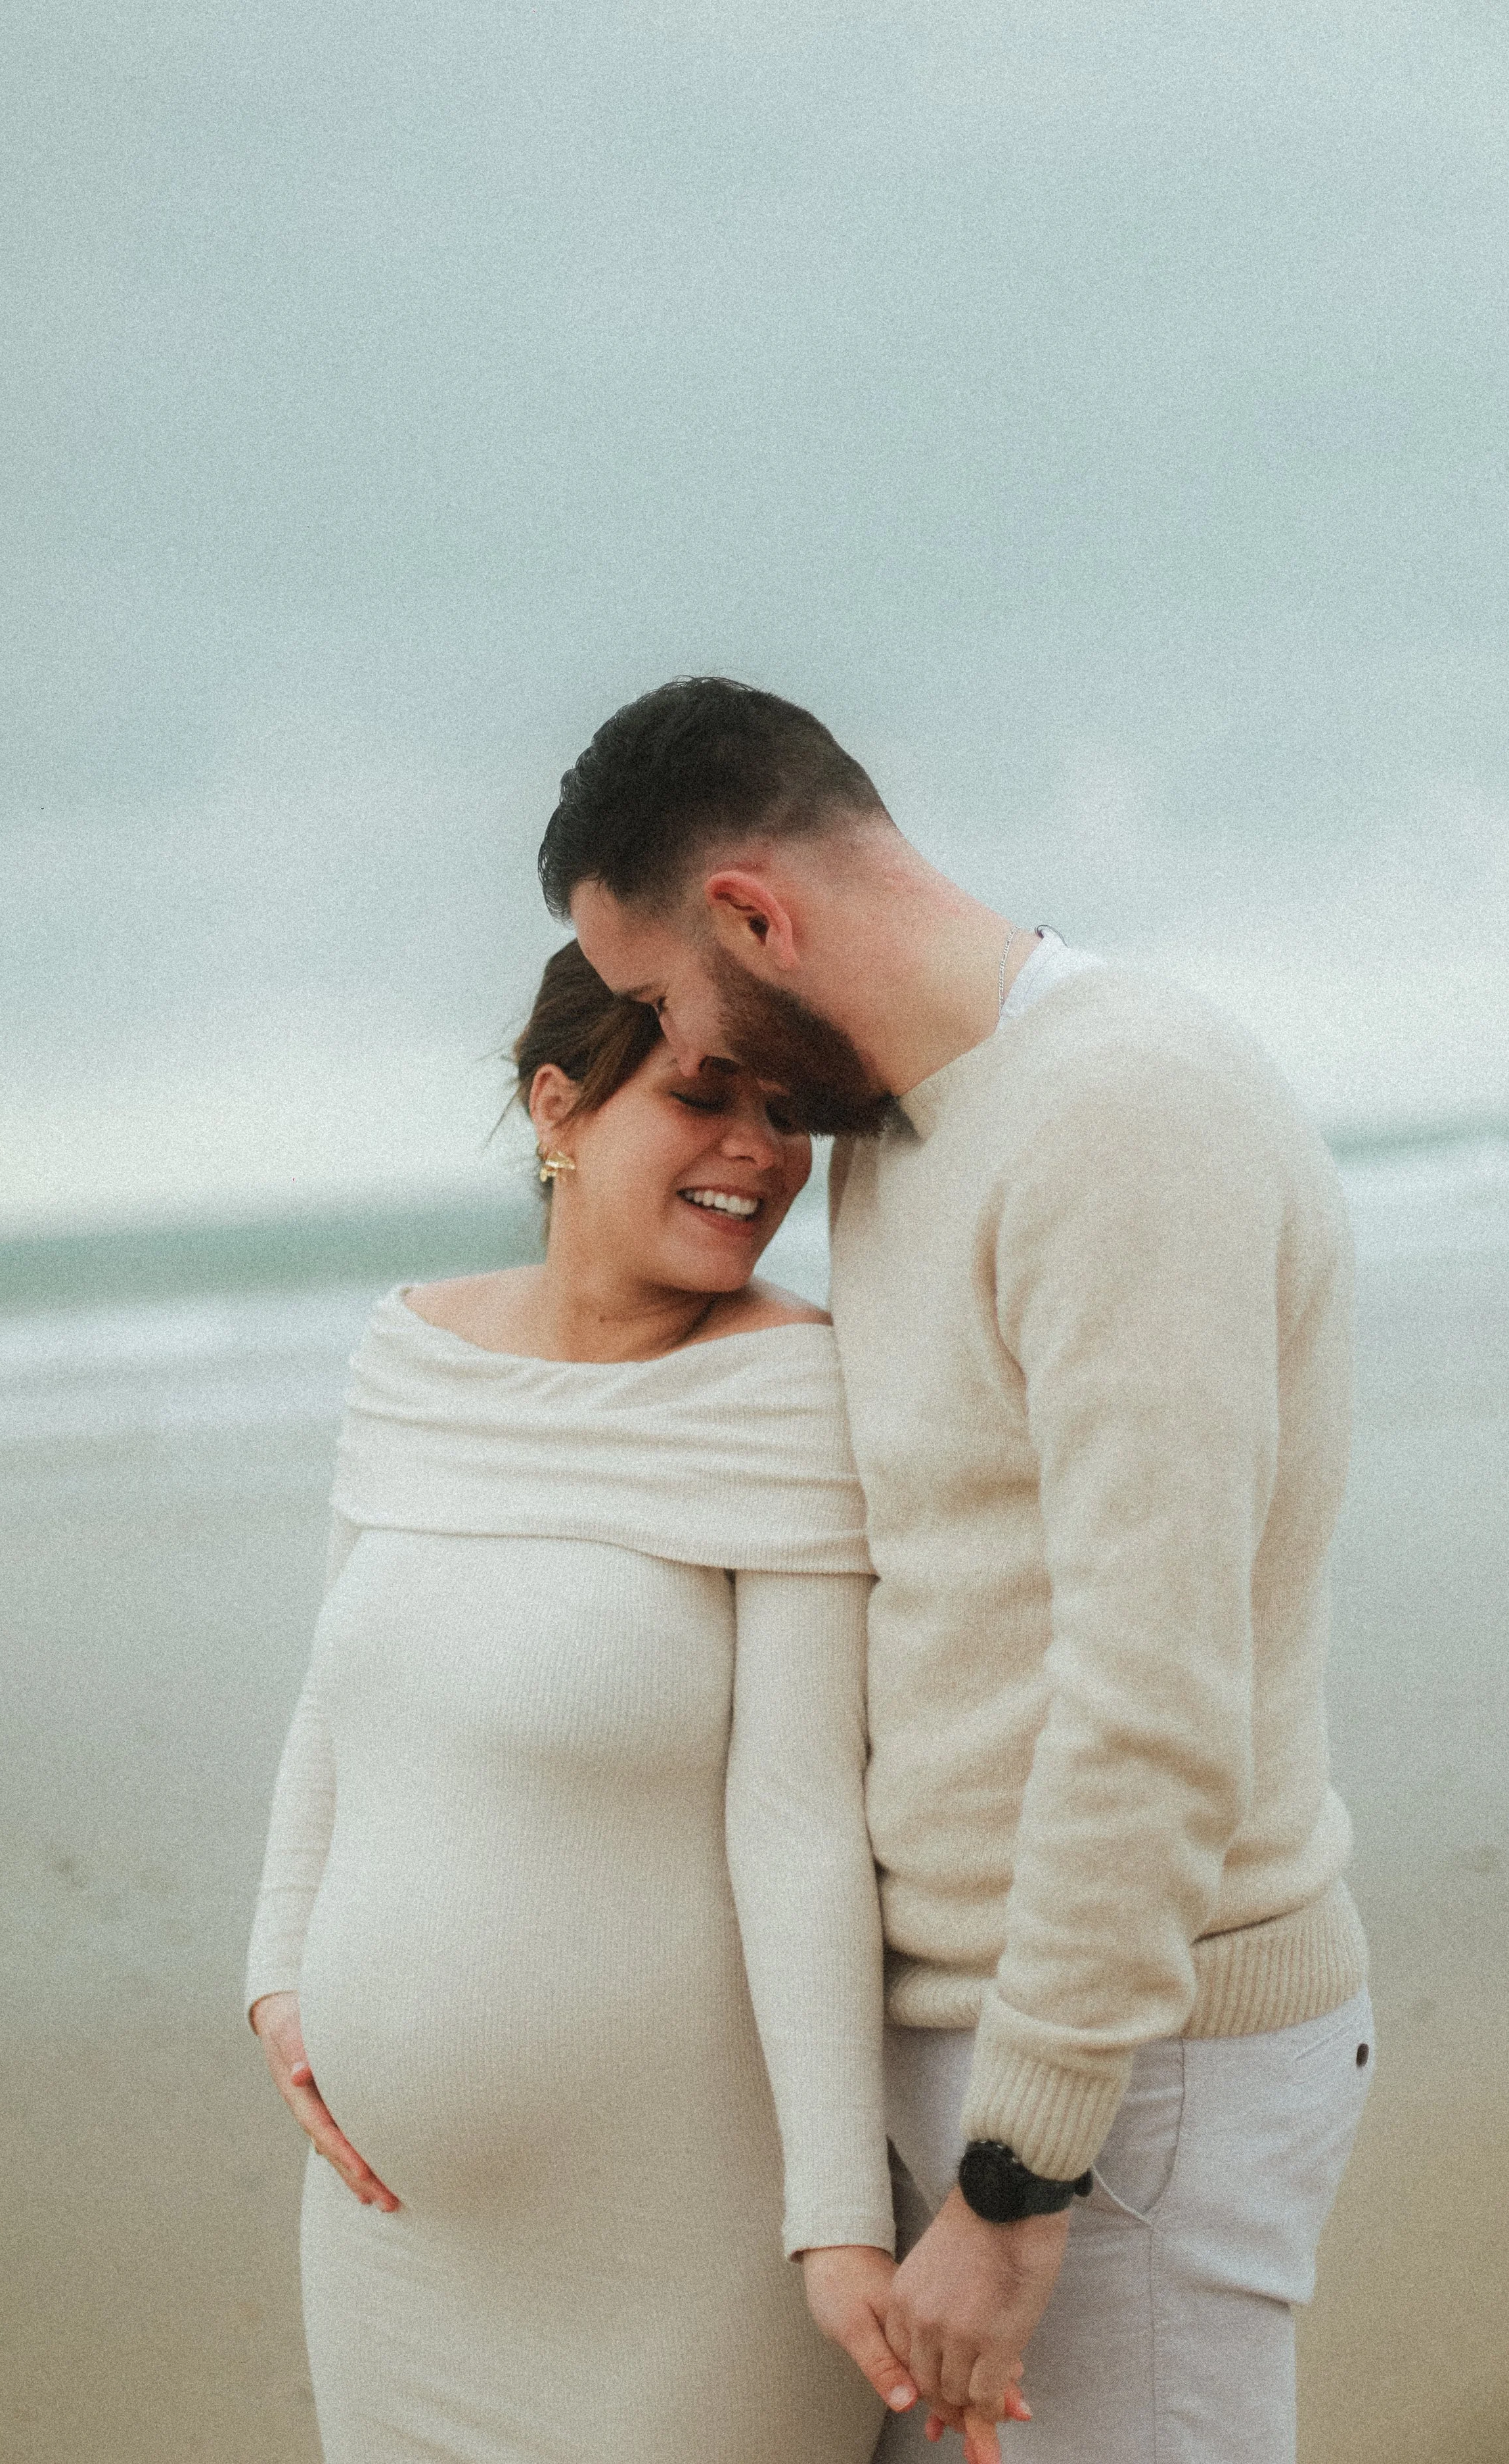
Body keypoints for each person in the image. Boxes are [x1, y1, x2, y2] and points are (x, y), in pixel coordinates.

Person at [550, 677, 1376, 2464]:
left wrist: (1015, 2177)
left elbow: (1150, 1695)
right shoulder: (910, 1129)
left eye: (655, 999)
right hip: (1013, 2061)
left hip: (1122, 2081)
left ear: (755, 915)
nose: (678, 1054)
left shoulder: (1120, 1114)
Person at [246, 943, 1006, 2464]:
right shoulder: (408, 1355)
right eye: (702, 1096)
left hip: (679, 2252)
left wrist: (836, 2224)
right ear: (560, 1109)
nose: (760, 1153)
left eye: (787, 1112)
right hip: (393, 2234)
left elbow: (798, 1831)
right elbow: (336, 1705)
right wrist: (274, 1974)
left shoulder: (784, 1388)